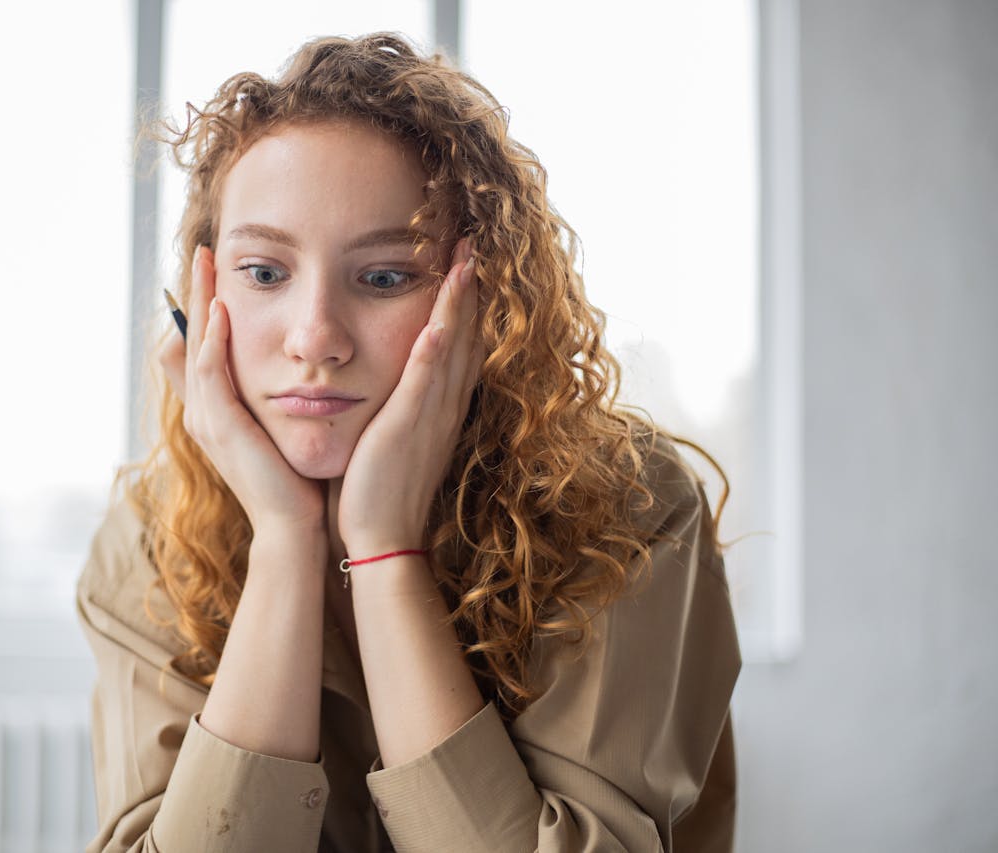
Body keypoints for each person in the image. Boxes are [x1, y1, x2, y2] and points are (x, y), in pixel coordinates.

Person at [76, 32, 741, 853]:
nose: (315, 338)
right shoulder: (148, 538)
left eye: (385, 276)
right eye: (265, 273)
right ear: (204, 298)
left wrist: (385, 553)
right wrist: (287, 541)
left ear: (482, 304)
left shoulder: (627, 511)